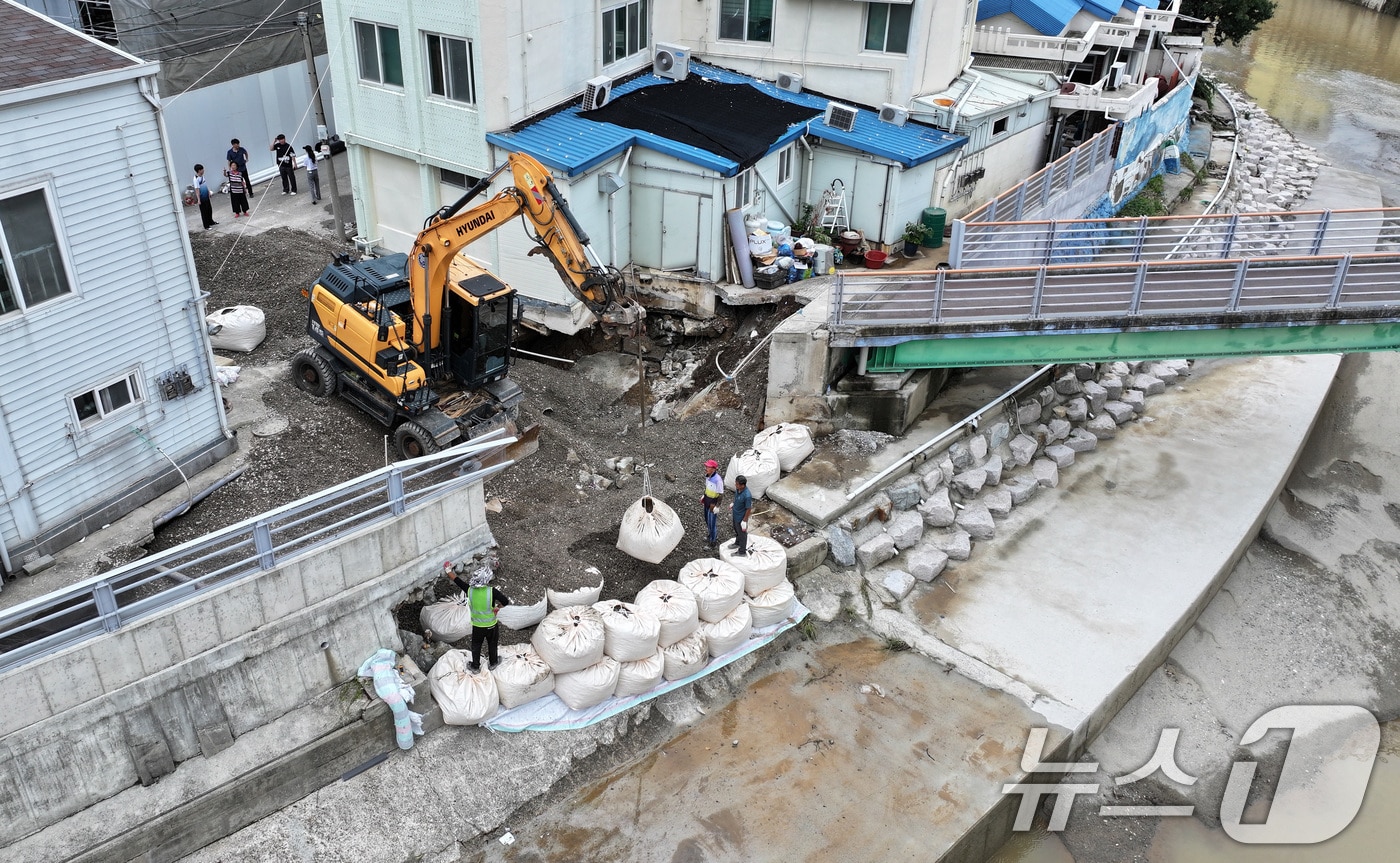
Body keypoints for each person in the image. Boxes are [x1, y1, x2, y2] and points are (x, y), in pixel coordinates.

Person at [447, 563, 511, 672]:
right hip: (491, 625)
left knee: (476, 646)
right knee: (492, 644)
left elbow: (457, 581)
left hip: (477, 626)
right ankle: (493, 663)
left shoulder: (469, 590)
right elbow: (505, 601)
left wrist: (448, 570)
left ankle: (475, 667)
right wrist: (497, 607)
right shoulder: (491, 591)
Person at [701, 459, 723, 547]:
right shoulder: (708, 477)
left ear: (713, 469)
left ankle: (712, 542)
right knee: (707, 520)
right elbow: (707, 488)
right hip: (707, 502)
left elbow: (721, 494)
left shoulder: (718, 480)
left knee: (712, 523)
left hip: (712, 505)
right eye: (706, 466)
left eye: (708, 467)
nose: (706, 468)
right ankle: (710, 535)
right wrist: (704, 496)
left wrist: (717, 506)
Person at [731, 474, 753, 557]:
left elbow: (748, 508)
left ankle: (742, 551)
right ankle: (737, 543)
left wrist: (744, 520)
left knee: (742, 534)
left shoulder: (747, 496)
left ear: (742, 485)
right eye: (736, 483)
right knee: (736, 530)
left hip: (741, 517)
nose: (735, 485)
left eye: (737, 484)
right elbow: (737, 498)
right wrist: (734, 504)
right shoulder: (738, 490)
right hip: (735, 514)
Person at [193, 164, 217, 229]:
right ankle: (206, 226)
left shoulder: (202, 176)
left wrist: (208, 192)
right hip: (202, 197)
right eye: (202, 169)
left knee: (209, 210)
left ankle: (211, 221)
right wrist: (198, 200)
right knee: (204, 212)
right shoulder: (196, 179)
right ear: (199, 170)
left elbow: (205, 185)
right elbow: (197, 190)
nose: (203, 170)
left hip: (206, 196)